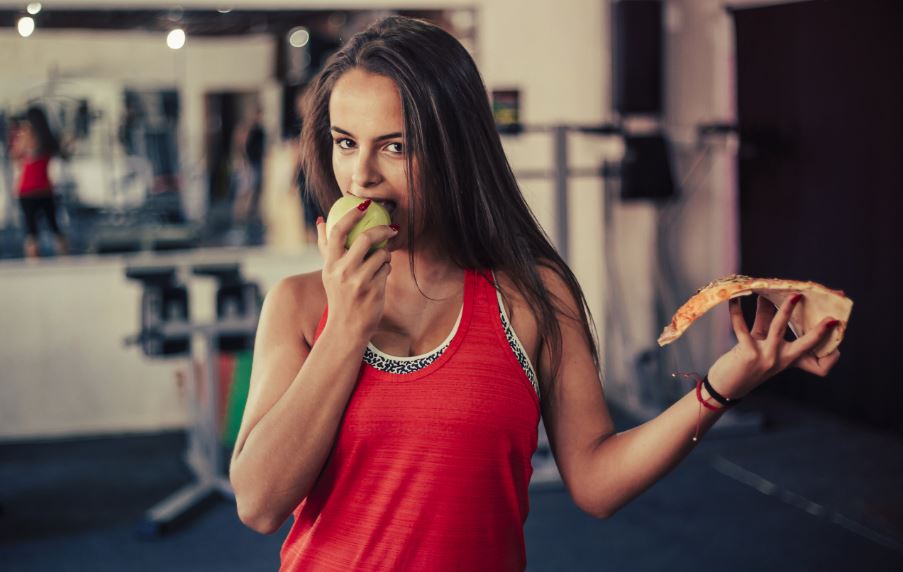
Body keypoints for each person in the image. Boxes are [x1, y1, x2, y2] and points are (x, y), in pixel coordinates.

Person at [229, 16, 842, 571]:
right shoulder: (300, 306)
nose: (361, 175)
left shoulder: (530, 297)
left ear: (453, 150)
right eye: (345, 142)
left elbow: (596, 482)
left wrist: (722, 385)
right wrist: (346, 330)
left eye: (396, 145)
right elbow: (258, 505)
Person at [10, 106, 68, 258]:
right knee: (54, 227)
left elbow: (15, 155)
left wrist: (21, 134)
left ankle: (34, 263)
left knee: (31, 231)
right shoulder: (48, 138)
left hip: (28, 190)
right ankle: (64, 259)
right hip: (44, 188)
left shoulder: (27, 136)